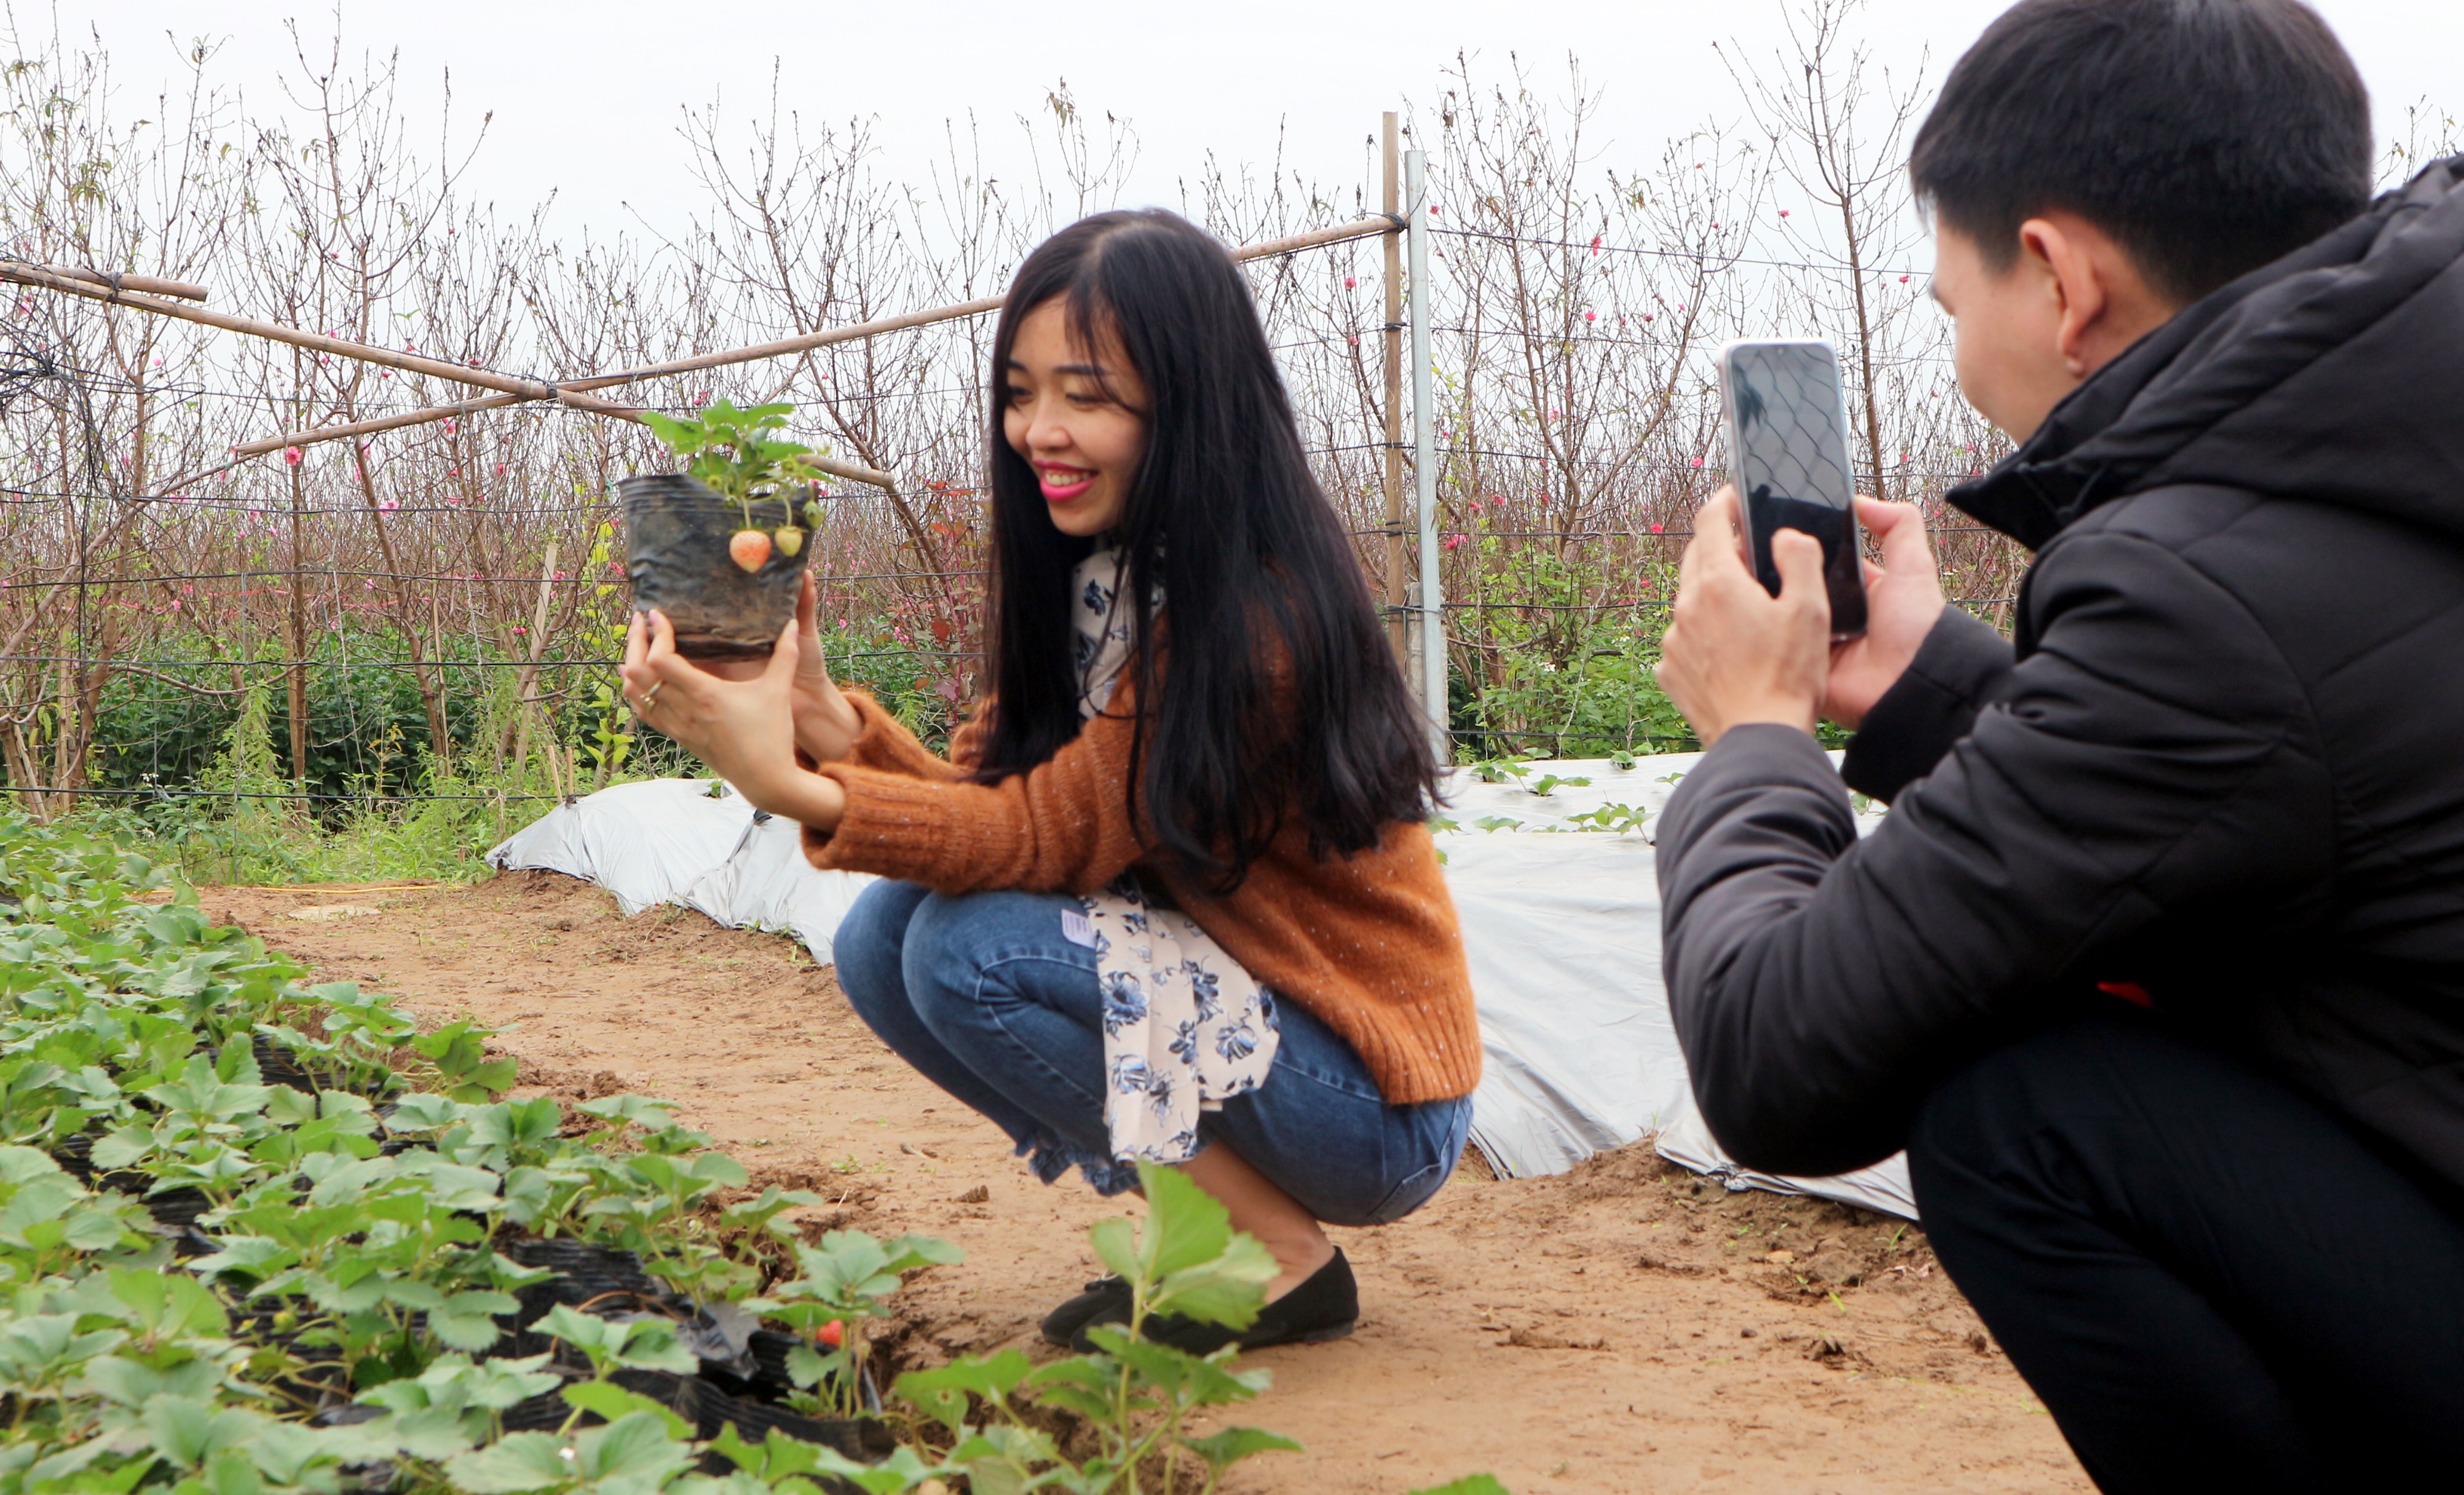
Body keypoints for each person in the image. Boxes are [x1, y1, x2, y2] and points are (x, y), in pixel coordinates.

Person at [1648, 1, 2464, 1488]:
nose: (1957, 343)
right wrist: (1918, 683)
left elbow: (1773, 1059)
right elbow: (2270, 757)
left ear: (2059, 279)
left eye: (1951, 299)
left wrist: (1753, 737)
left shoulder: (2203, 594)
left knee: (2026, 1117)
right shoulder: (2382, 445)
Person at [619, 208, 1478, 1354]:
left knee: (965, 952)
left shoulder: (1257, 618)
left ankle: (1279, 1260)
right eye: (1020, 393)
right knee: (889, 936)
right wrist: (822, 719)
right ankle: (1216, 1237)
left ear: (1190, 408)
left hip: (1371, 1098)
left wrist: (791, 785)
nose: (1039, 430)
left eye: (1089, 396)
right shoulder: (1099, 587)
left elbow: (1040, 842)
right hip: (1267, 1040)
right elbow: (995, 823)